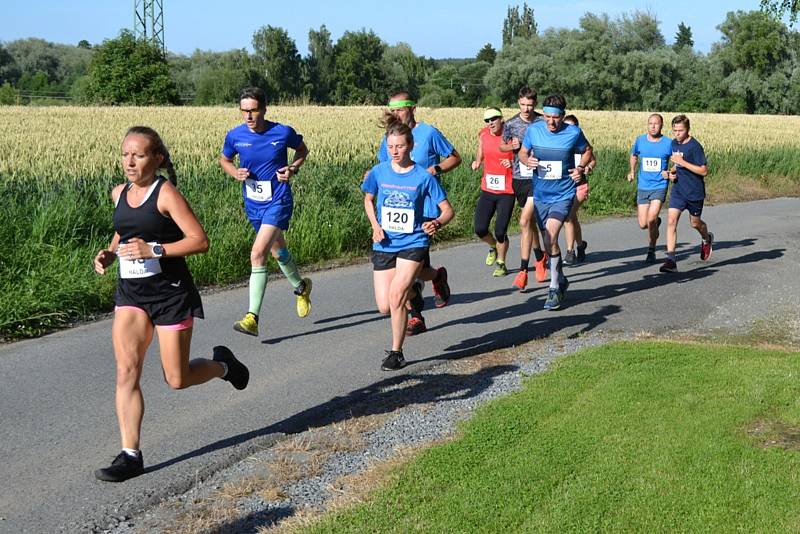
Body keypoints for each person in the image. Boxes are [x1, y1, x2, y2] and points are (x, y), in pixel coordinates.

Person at [94, 126, 249, 482]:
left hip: (170, 295)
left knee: (177, 379)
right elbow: (124, 231)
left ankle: (223, 366)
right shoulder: (119, 193)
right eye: (125, 154)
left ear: (157, 159)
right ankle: (130, 455)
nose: (129, 162)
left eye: (139, 155)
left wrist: (155, 250)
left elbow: (199, 241)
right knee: (126, 370)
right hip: (132, 295)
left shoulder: (166, 195)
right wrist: (108, 253)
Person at [363, 114, 454, 371]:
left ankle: (396, 352)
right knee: (384, 306)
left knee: (395, 296)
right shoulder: (379, 172)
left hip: (414, 240)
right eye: (390, 146)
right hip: (384, 242)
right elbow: (368, 199)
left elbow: (447, 211)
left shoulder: (423, 177)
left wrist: (436, 223)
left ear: (411, 146)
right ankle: (428, 281)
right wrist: (375, 225)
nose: (394, 151)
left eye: (400, 146)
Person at [219, 87, 312, 337]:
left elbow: (302, 150)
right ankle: (301, 287)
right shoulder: (235, 136)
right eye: (244, 111)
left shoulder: (282, 132)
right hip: (253, 203)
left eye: (253, 110)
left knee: (257, 253)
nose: (248, 116)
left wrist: (292, 168)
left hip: (278, 200)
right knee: (277, 251)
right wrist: (234, 172)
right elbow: (225, 160)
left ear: (264, 109)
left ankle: (252, 317)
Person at [377, 91, 461, 318]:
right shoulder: (390, 137)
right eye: (392, 109)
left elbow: (455, 157)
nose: (395, 114)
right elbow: (383, 169)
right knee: (403, 269)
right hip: (397, 210)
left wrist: (436, 169)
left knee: (414, 268)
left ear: (413, 108)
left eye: (400, 109)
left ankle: (417, 313)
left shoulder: (429, 133)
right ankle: (429, 288)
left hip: (424, 211)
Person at [519, 95, 593, 310]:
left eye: (556, 118)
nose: (551, 122)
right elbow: (523, 153)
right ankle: (560, 277)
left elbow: (587, 150)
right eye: (547, 117)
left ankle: (553, 288)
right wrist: (527, 160)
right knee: (547, 241)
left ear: (563, 116)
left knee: (551, 235)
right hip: (541, 194)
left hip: (563, 194)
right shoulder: (534, 130)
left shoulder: (573, 132)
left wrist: (580, 169)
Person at [500, 86, 548, 291]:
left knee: (524, 220)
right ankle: (540, 255)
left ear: (535, 104)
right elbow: (502, 146)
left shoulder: (542, 121)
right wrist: (511, 146)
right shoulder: (510, 124)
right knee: (529, 223)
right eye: (523, 104)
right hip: (519, 176)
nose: (527, 109)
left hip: (539, 176)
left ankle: (522, 270)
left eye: (530, 105)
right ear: (518, 102)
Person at [660, 114, 714, 273]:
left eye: (680, 130)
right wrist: (670, 173)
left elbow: (704, 171)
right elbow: (676, 165)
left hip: (694, 192)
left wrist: (683, 163)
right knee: (671, 221)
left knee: (695, 223)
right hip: (678, 190)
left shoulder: (694, 146)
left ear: (688, 130)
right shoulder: (673, 143)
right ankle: (671, 260)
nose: (677, 134)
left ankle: (706, 238)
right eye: (674, 130)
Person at [471, 107, 515, 277]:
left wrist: (511, 164)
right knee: (480, 228)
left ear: (501, 119)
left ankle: (502, 263)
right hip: (488, 188)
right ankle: (492, 246)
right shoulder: (483, 134)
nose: (490, 123)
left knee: (500, 231)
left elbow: (522, 156)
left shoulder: (510, 137)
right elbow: (481, 147)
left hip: (507, 190)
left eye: (493, 119)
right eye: (487, 120)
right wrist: (477, 160)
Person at [628, 113, 673, 263]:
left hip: (659, 185)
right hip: (643, 185)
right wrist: (632, 171)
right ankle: (654, 224)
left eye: (656, 124)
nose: (653, 126)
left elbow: (677, 160)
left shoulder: (668, 143)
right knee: (643, 224)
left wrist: (670, 172)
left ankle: (651, 249)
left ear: (661, 125)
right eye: (650, 123)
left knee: (651, 218)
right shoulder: (640, 140)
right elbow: (634, 155)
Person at [562, 114, 596, 265]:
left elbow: (593, 159)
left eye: (572, 127)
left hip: (580, 186)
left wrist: (587, 167)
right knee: (572, 218)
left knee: (568, 216)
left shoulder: (582, 144)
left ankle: (570, 252)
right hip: (564, 187)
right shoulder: (560, 144)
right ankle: (580, 245)